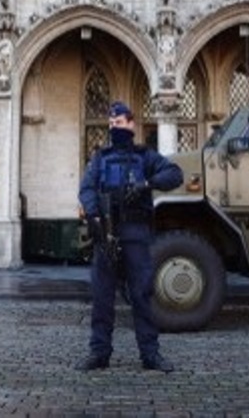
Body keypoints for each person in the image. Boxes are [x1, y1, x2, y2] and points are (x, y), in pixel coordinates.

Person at [74, 101, 183, 373]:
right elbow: (86, 188)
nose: (115, 128)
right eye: (111, 124)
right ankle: (99, 353)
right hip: (105, 234)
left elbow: (174, 174)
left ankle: (150, 354)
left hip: (136, 233)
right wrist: (94, 215)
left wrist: (146, 184)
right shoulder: (100, 157)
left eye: (119, 123)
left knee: (141, 295)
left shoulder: (145, 156)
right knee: (102, 298)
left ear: (131, 124)